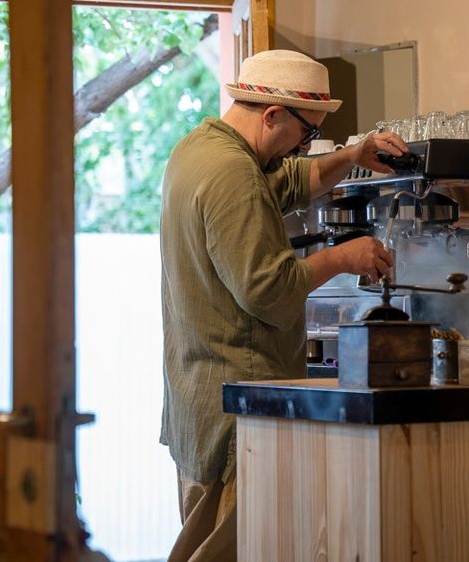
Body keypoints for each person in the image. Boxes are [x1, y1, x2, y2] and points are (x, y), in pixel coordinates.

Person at [158, 49, 408, 561]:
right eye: (306, 133)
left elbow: (287, 182)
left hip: (198, 402)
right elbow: (268, 291)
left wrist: (350, 155)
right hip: (240, 408)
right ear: (272, 115)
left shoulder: (199, 149)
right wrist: (343, 257)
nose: (305, 146)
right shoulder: (233, 173)